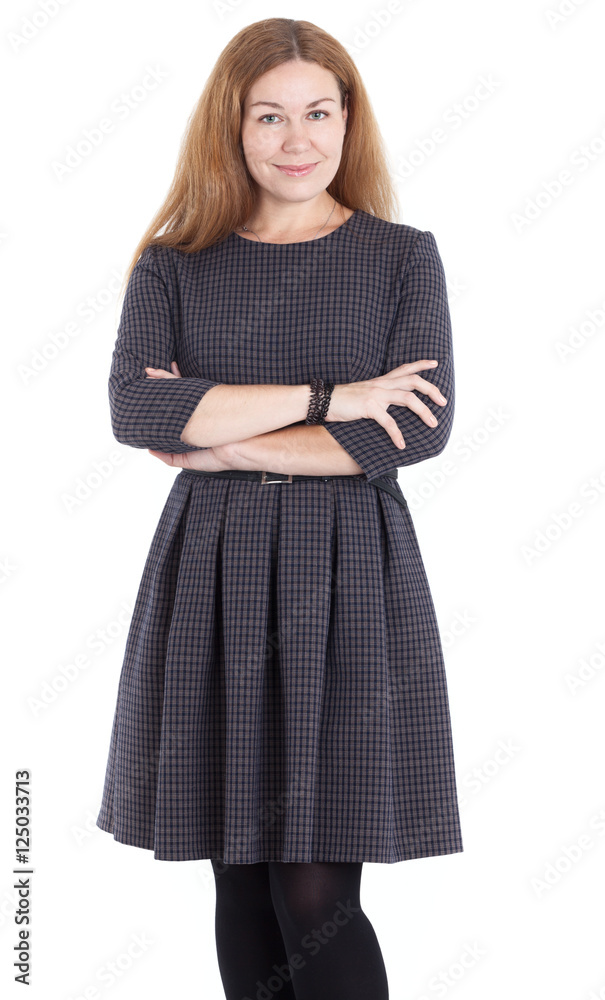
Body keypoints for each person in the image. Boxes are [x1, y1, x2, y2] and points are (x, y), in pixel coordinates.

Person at [96, 17, 463, 999]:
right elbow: (137, 407)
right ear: (234, 124)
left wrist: (216, 436)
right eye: (269, 115)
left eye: (315, 112)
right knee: (240, 874)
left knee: (313, 889)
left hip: (344, 578)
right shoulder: (176, 261)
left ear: (349, 122)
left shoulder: (398, 257)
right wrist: (332, 399)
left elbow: (414, 432)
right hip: (210, 572)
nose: (294, 139)